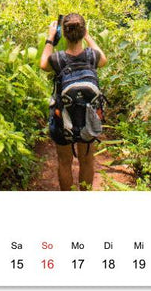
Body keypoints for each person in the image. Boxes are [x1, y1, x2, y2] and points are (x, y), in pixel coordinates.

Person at [40, 13, 108, 191]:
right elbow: (104, 58)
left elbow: (43, 64)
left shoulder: (57, 59)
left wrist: (50, 37)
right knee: (86, 160)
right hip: (87, 118)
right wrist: (88, 36)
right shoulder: (92, 56)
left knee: (64, 162)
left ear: (64, 34)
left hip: (63, 119)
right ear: (83, 31)